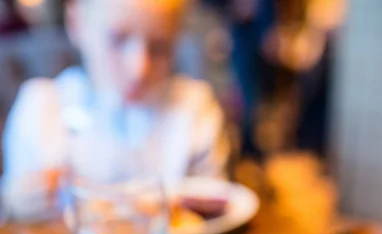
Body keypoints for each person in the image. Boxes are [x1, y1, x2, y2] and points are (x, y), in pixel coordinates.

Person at [2, 0, 229, 218]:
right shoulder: (41, 109)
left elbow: (216, 205)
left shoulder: (193, 109)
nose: (138, 69)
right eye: (118, 39)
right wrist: (14, 204)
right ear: (76, 22)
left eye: (159, 47)